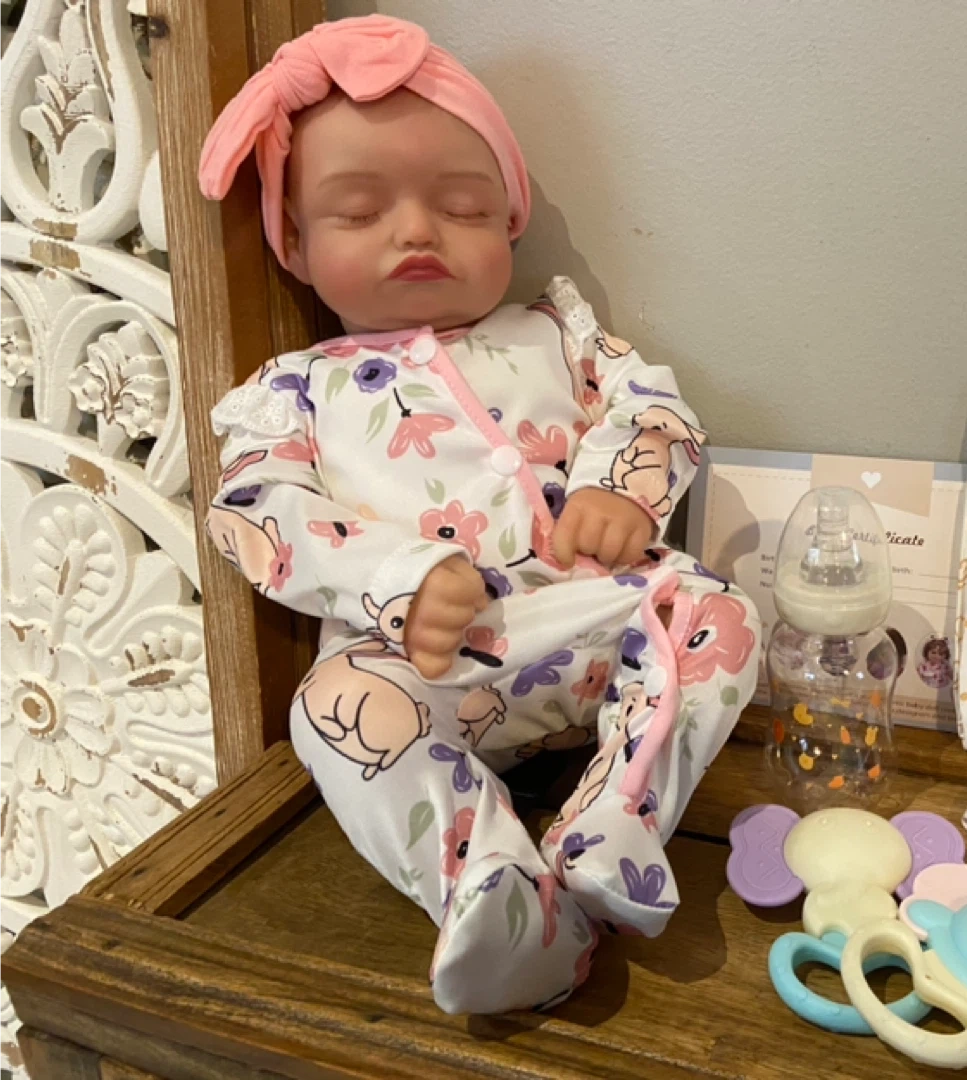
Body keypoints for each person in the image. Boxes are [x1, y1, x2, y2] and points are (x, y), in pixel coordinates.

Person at [199, 14, 759, 1014]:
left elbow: (649, 405)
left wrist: (616, 491)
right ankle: (495, 895)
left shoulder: (556, 333)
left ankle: (616, 818)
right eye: (359, 211)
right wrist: (398, 578)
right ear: (296, 243)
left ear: (508, 221)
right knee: (330, 713)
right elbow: (257, 512)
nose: (417, 230)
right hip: (429, 671)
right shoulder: (295, 391)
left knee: (716, 608)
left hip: (591, 627)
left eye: (461, 204)